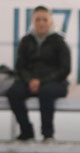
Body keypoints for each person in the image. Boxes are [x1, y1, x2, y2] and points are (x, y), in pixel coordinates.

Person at [6, 6, 70, 142]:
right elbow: (20, 66)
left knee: (46, 92)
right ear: (33, 21)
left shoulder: (59, 42)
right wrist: (30, 80)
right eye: (38, 19)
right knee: (13, 92)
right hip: (30, 82)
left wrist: (41, 81)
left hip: (54, 83)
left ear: (50, 22)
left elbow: (64, 69)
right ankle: (26, 131)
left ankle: (48, 134)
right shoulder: (26, 41)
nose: (41, 23)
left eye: (44, 19)